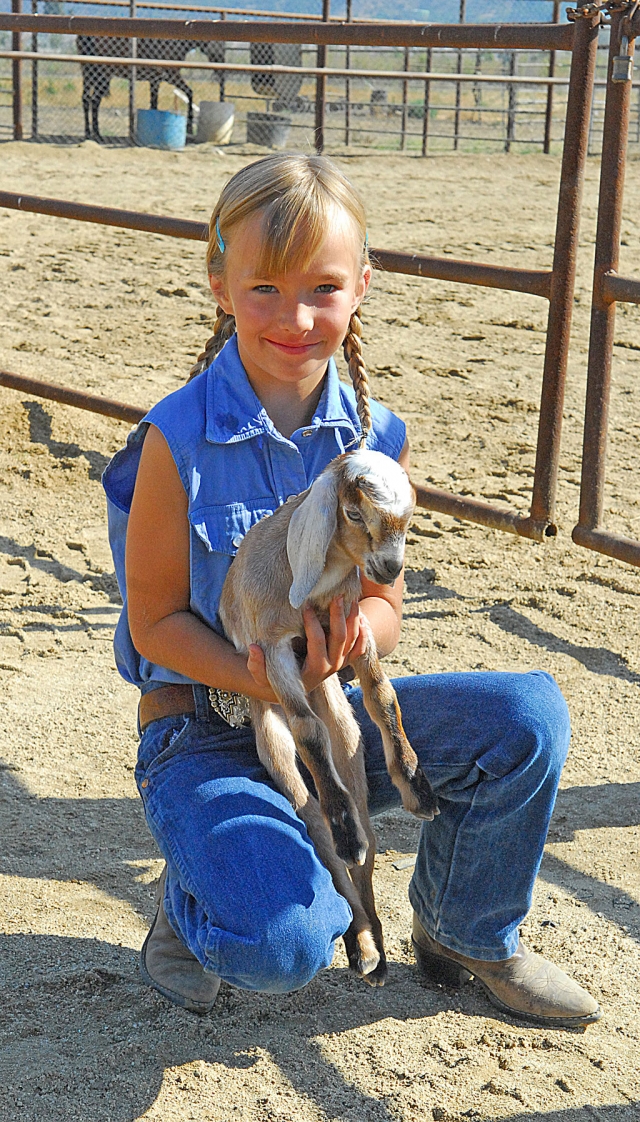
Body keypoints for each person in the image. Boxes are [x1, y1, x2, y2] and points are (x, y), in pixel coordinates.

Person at [103, 153, 600, 1028]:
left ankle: (466, 931)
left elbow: (386, 603)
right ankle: (198, 901)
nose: (295, 317)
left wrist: (358, 637)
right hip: (208, 727)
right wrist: (264, 681)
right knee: (288, 942)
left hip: (325, 707)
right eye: (264, 288)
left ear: (362, 285)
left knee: (527, 719)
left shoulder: (377, 438)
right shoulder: (173, 442)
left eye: (323, 288)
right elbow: (154, 624)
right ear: (218, 282)